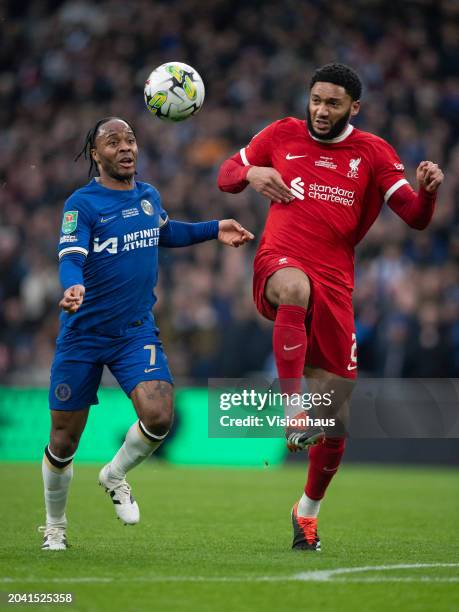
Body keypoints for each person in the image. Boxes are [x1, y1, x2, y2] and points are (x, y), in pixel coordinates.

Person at [217, 63, 444, 551]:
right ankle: (292, 403)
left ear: (353, 107)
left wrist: (428, 191)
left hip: (337, 284)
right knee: (294, 290)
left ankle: (307, 513)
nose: (321, 110)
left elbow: (414, 216)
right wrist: (253, 171)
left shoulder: (373, 152)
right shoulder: (281, 133)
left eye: (333, 103)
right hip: (280, 263)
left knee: (336, 421)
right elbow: (226, 174)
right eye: (316, 100)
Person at [40, 116, 254, 551]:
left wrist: (215, 228)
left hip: (135, 330)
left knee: (159, 415)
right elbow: (70, 255)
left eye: (130, 140)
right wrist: (72, 284)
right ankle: (55, 526)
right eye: (112, 142)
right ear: (95, 154)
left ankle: (114, 474)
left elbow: (164, 233)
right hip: (83, 333)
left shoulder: (148, 196)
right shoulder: (82, 204)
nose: (125, 147)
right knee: (63, 440)